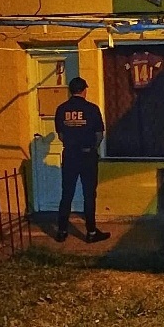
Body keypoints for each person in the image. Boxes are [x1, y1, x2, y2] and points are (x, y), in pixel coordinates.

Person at [54, 77, 110, 243]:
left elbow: (61, 135)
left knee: (67, 193)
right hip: (87, 156)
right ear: (84, 90)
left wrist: (72, 144)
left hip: (70, 156)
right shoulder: (92, 109)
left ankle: (62, 231)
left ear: (70, 91)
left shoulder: (61, 109)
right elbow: (99, 135)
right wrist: (91, 147)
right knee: (89, 195)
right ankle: (91, 232)